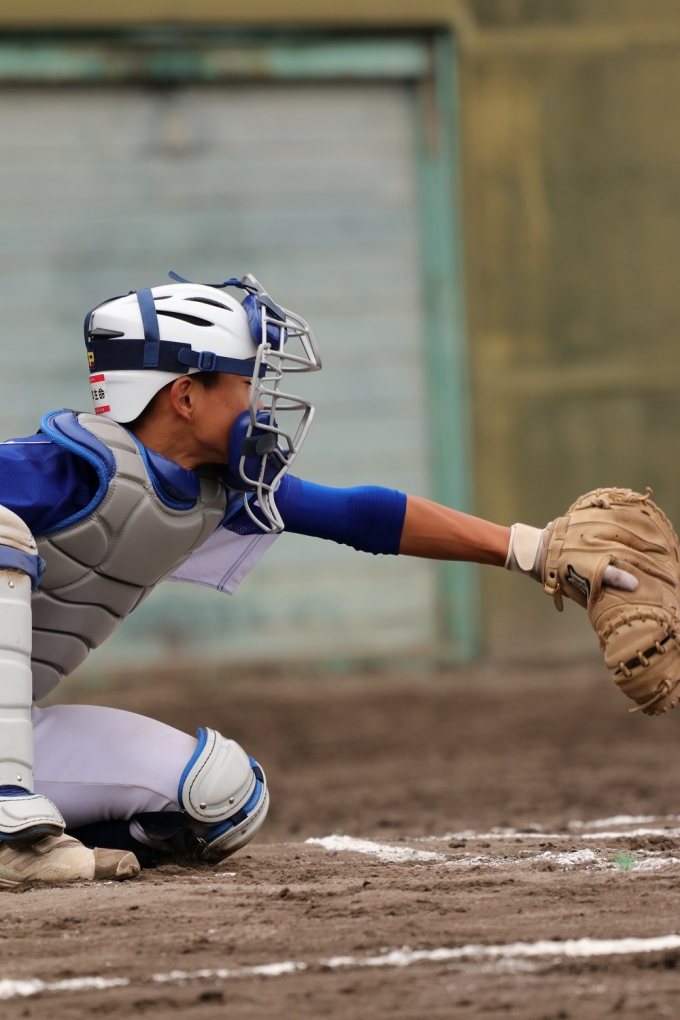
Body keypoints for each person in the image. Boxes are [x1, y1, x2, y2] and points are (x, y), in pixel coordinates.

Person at [0, 274, 635, 886]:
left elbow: (361, 515)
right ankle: (13, 833)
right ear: (185, 397)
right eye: (245, 382)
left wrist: (531, 550)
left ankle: (30, 830)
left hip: (16, 737)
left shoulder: (218, 489)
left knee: (220, 797)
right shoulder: (59, 467)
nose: (258, 402)